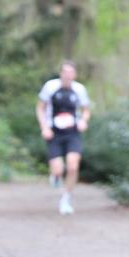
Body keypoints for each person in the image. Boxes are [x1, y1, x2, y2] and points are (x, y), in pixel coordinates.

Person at [37, 60, 91, 215]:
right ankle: (55, 175)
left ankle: (66, 199)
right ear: (60, 73)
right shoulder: (50, 87)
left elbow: (86, 110)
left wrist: (83, 121)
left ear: (75, 74)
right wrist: (44, 127)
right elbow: (40, 108)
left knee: (73, 166)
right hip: (54, 132)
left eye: (70, 72)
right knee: (58, 169)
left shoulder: (79, 89)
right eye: (65, 72)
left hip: (72, 132)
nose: (67, 75)